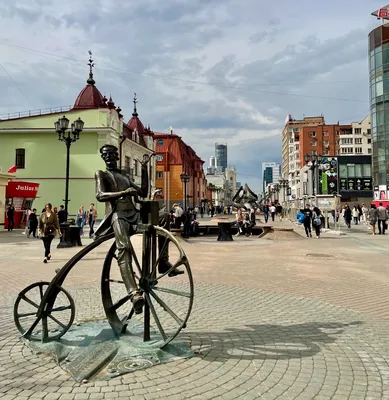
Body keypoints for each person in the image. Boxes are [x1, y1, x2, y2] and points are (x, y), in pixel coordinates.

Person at [94, 144, 182, 315]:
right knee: (124, 248)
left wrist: (144, 169)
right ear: (102, 157)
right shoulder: (102, 174)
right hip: (118, 216)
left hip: (133, 214)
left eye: (112, 154)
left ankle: (163, 262)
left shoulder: (124, 175)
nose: (109, 157)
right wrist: (121, 193)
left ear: (116, 156)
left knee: (163, 217)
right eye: (106, 155)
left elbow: (142, 192)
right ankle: (134, 293)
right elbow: (100, 195)